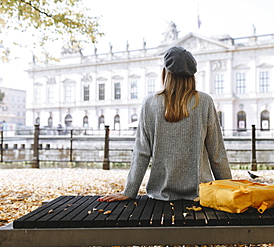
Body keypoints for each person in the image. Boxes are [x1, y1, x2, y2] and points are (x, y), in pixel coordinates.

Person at [98, 46, 232, 202]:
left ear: (165, 73)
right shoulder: (204, 102)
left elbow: (141, 152)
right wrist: (230, 189)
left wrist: (129, 191)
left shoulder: (150, 103)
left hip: (160, 194)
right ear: (192, 76)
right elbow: (216, 153)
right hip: (200, 194)